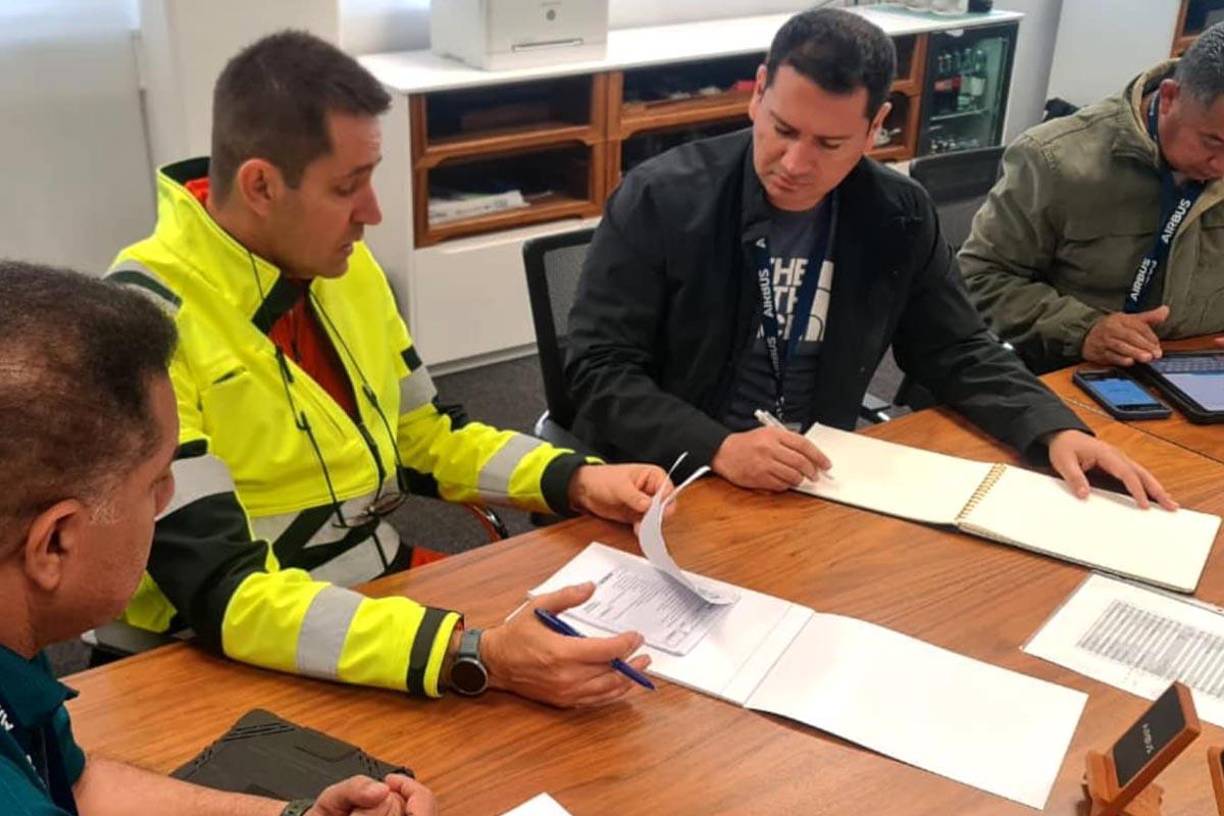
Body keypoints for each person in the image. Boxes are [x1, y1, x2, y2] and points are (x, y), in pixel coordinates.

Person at [107, 31, 656, 708]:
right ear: (260, 186)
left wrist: (575, 478)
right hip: (220, 652)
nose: (373, 214)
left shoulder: (344, 264)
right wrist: (469, 652)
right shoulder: (141, 320)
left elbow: (423, 436)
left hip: (372, 593)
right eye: (348, 188)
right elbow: (228, 595)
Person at [565, 8, 1174, 509]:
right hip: (672, 477)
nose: (796, 163)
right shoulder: (662, 198)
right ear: (757, 96)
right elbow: (598, 371)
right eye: (782, 128)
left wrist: (1052, 427)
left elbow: (955, 347)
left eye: (830, 144)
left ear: (876, 127)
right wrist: (719, 447)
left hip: (818, 477)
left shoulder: (897, 213)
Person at [0, 261, 436, 815]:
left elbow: (82, 788)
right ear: (55, 544)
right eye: (156, 479)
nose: (170, 496)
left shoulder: (15, 632)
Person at [961, 23, 1224, 373]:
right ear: (1170, 98)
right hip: (1079, 371)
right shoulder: (1055, 160)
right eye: (1215, 143)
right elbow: (979, 277)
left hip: (1203, 372)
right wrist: (1084, 328)